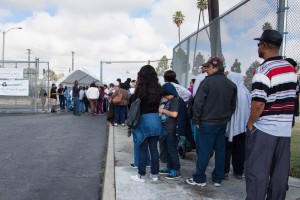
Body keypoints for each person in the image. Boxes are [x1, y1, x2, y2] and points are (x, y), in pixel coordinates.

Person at [245, 29, 297, 200]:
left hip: (266, 128)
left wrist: (251, 124)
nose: (258, 47)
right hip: (284, 129)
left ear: (265, 45)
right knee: (279, 175)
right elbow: (294, 96)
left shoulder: (264, 69)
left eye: (259, 44)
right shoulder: (290, 69)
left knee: (257, 172)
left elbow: (259, 103)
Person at [186, 57, 237, 187]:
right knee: (220, 150)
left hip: (207, 122)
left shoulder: (207, 82)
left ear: (216, 68)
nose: (206, 70)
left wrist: (196, 119)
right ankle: (217, 178)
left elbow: (198, 103)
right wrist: (226, 117)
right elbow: (233, 105)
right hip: (221, 123)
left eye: (208, 67)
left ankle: (199, 178)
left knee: (204, 150)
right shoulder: (231, 84)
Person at [130, 65, 163, 183]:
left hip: (143, 119)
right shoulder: (159, 88)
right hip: (155, 119)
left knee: (142, 148)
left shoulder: (140, 88)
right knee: (154, 148)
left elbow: (133, 103)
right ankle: (154, 175)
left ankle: (141, 175)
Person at [224, 72, 251, 180]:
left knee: (226, 149)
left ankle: (224, 171)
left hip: (229, 126)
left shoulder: (230, 91)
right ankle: (238, 171)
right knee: (240, 149)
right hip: (242, 126)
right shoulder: (246, 92)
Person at [158, 83, 181, 179]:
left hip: (171, 129)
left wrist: (162, 111)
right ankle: (169, 167)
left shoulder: (175, 100)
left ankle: (175, 170)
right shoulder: (169, 100)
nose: (165, 97)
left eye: (166, 95)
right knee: (167, 150)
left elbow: (174, 114)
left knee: (172, 150)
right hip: (166, 128)